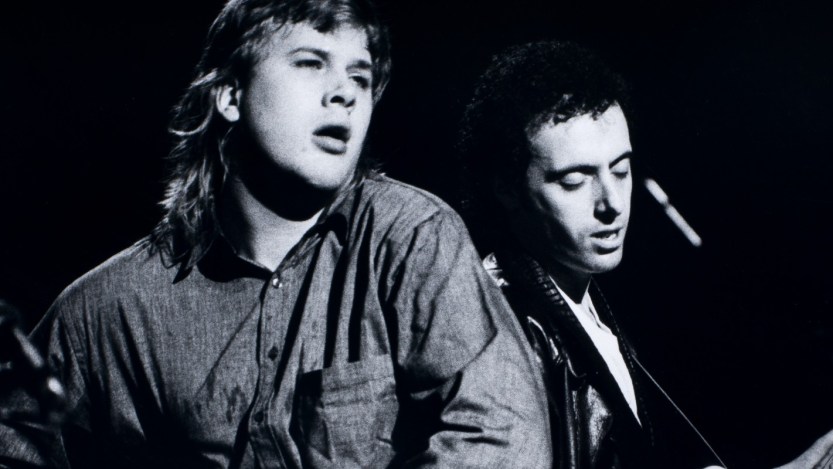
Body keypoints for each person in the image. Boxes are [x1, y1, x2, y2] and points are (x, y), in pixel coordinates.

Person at [0, 1, 552, 467]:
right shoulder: (110, 308)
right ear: (230, 95)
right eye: (311, 63)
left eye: (360, 77)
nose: (345, 94)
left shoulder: (412, 239)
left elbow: (505, 437)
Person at [458, 40, 833, 468]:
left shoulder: (580, 297)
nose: (612, 203)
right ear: (506, 188)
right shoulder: (501, 334)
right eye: (575, 180)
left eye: (621, 170)